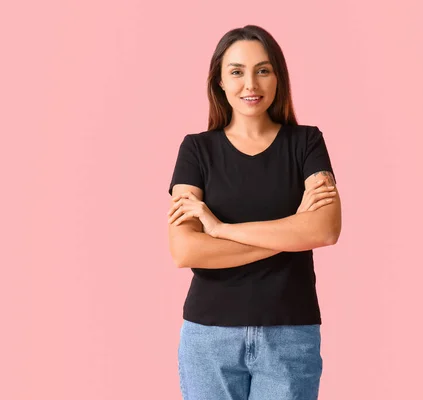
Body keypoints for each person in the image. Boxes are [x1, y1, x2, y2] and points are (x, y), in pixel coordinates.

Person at [167, 24, 341, 400]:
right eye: (237, 72)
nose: (251, 84)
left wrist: (218, 229)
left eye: (263, 70)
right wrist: (293, 232)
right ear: (220, 82)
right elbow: (185, 251)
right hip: (209, 336)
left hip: (290, 333)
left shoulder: (306, 143)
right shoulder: (196, 150)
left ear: (278, 77)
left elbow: (325, 229)